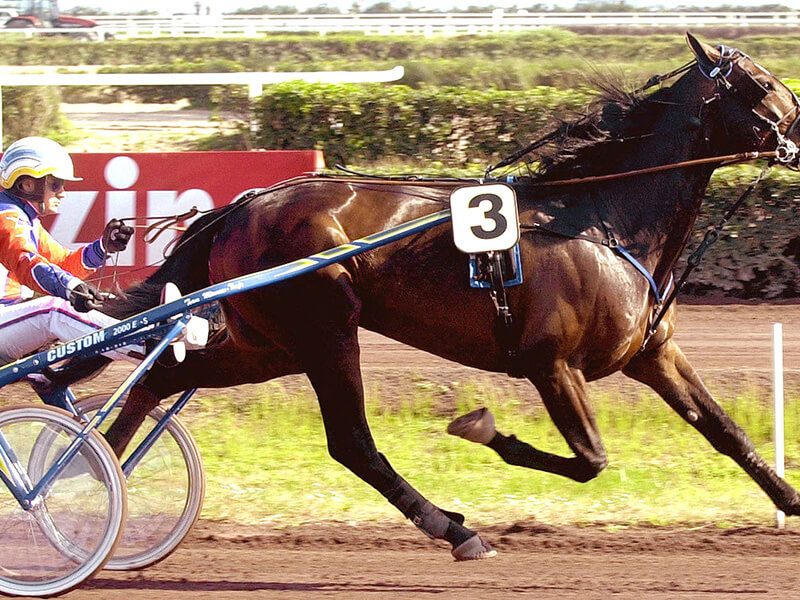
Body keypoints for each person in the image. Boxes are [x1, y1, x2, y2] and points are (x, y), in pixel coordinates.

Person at [0, 136, 136, 364]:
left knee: (107, 303)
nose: (63, 193)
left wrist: (103, 248)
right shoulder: (7, 218)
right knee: (55, 310)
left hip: (7, 317)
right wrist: (71, 287)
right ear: (27, 184)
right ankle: (145, 349)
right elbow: (27, 262)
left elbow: (63, 265)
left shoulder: (26, 219)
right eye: (55, 184)